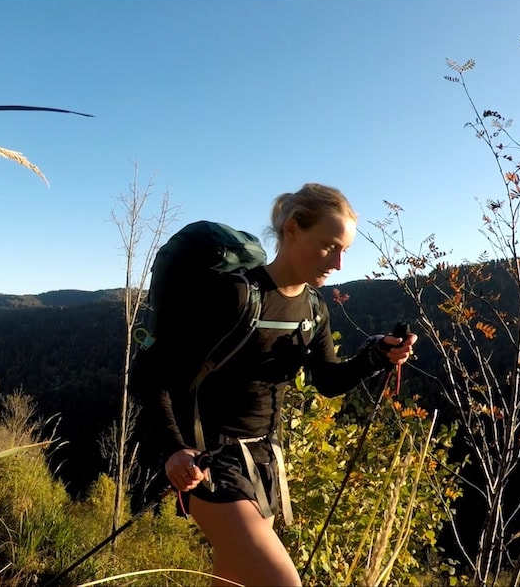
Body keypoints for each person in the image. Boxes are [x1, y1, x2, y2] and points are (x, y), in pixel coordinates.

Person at [150, 183, 417, 586]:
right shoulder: (237, 295)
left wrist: (374, 356)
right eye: (329, 246)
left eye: (344, 250)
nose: (339, 263)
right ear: (292, 230)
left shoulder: (313, 307)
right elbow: (152, 375)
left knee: (234, 580)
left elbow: (327, 381)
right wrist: (173, 449)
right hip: (208, 462)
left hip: (264, 462)